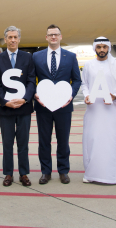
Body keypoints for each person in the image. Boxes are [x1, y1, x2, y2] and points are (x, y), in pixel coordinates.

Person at [33, 24, 81, 185]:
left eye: (56, 34)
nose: (53, 37)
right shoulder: (36, 56)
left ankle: (63, 171)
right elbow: (31, 79)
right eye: (50, 34)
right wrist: (34, 94)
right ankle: (45, 172)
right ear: (46, 37)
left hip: (63, 107)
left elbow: (77, 80)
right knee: (44, 141)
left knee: (63, 140)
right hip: (43, 106)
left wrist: (70, 96)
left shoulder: (71, 56)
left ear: (61, 37)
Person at [0, 26, 36, 187]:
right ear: (5, 39)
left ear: (19, 39)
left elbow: (31, 80)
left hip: (24, 108)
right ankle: (8, 174)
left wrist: (25, 99)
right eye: (9, 37)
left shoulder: (28, 57)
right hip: (5, 108)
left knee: (23, 143)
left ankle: (24, 173)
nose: (12, 40)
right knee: (7, 143)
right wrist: (4, 102)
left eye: (15, 37)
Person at [82, 37, 116, 184]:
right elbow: (84, 84)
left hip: (111, 110)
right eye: (99, 47)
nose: (102, 50)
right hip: (94, 110)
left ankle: (112, 176)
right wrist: (86, 95)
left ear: (108, 48)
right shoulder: (88, 65)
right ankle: (91, 174)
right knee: (93, 141)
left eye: (104, 47)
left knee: (111, 142)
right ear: (95, 48)